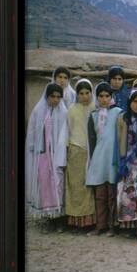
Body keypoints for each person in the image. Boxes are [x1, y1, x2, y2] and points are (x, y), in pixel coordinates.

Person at [25, 83, 68, 232]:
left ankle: (60, 220)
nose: (55, 100)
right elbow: (32, 132)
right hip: (43, 156)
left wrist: (61, 155)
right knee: (44, 186)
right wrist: (33, 149)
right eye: (52, 96)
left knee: (58, 185)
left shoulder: (63, 113)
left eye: (58, 97)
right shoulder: (38, 111)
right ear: (47, 96)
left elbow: (65, 136)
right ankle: (48, 220)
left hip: (58, 156)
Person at [85, 82, 122, 237]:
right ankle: (100, 226)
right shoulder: (93, 116)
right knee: (99, 195)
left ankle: (113, 227)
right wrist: (92, 161)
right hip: (99, 160)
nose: (104, 99)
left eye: (107, 96)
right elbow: (92, 142)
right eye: (101, 96)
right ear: (97, 97)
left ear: (111, 97)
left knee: (112, 195)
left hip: (112, 160)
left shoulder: (119, 113)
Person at [65, 79, 96, 230]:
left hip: (92, 152)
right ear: (77, 95)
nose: (84, 96)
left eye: (87, 93)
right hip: (76, 151)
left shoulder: (95, 108)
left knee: (89, 187)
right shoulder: (71, 109)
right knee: (76, 186)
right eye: (81, 93)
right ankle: (76, 221)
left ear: (91, 93)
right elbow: (67, 131)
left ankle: (90, 221)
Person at [115, 89, 137, 235]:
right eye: (135, 101)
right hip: (127, 161)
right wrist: (121, 160)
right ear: (129, 102)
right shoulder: (123, 118)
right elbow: (119, 140)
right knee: (127, 192)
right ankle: (128, 225)